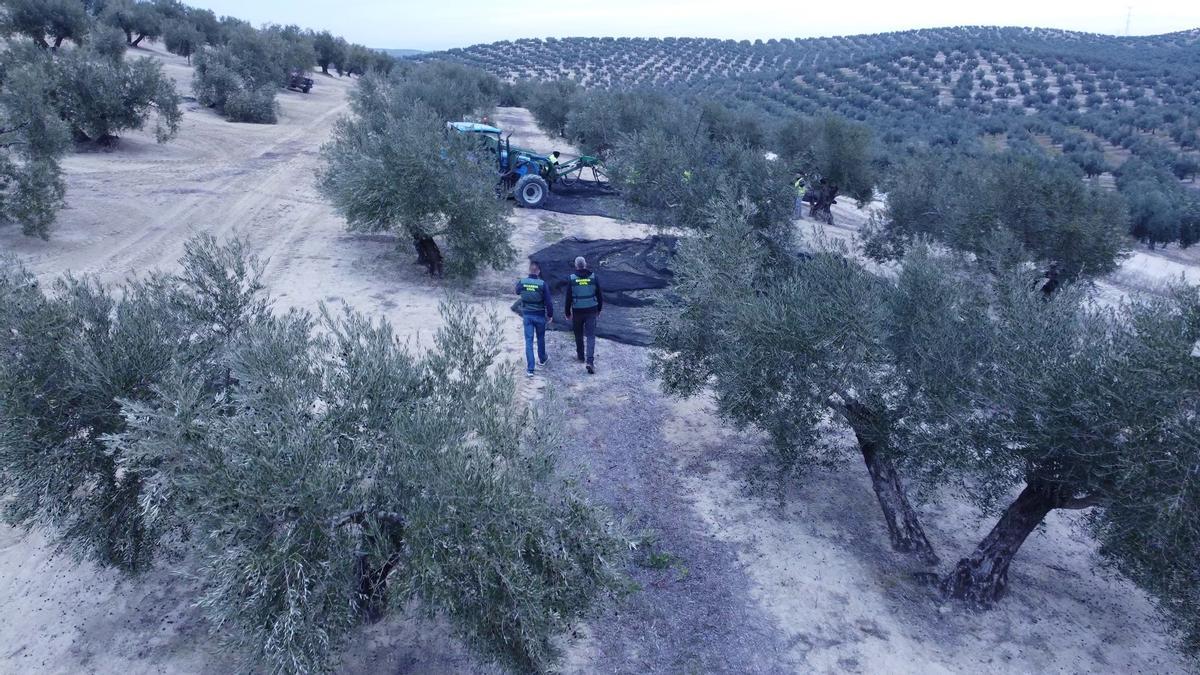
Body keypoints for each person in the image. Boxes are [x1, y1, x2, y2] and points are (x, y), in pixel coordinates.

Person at [565, 256, 603, 374]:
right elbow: (599, 295)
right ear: (585, 265)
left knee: (578, 334)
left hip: (577, 311)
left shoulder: (571, 279)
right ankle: (590, 362)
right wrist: (599, 310)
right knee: (591, 336)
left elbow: (568, 297)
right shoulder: (594, 277)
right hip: (591, 310)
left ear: (576, 266)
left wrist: (567, 312)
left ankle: (580, 356)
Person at [515, 261, 554, 377]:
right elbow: (549, 302)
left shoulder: (522, 282)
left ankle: (530, 369)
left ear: (529, 270)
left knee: (529, 341)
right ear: (538, 271)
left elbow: (517, 291)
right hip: (540, 315)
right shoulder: (542, 284)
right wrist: (550, 315)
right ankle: (542, 359)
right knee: (541, 338)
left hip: (527, 315)